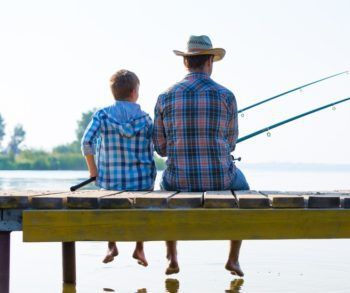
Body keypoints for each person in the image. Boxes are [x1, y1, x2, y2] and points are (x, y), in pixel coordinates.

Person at [153, 35, 250, 277]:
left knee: (164, 189)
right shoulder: (226, 96)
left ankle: (172, 258)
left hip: (178, 181)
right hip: (222, 180)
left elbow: (160, 147)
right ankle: (233, 259)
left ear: (185, 62)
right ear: (209, 62)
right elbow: (231, 142)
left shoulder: (165, 96)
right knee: (245, 190)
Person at [81, 69, 156, 266]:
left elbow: (86, 142)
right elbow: (156, 146)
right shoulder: (146, 119)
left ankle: (111, 245)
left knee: (110, 205)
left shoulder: (102, 116)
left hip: (110, 182)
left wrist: (93, 172)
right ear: (134, 92)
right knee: (142, 208)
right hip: (142, 182)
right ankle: (139, 248)